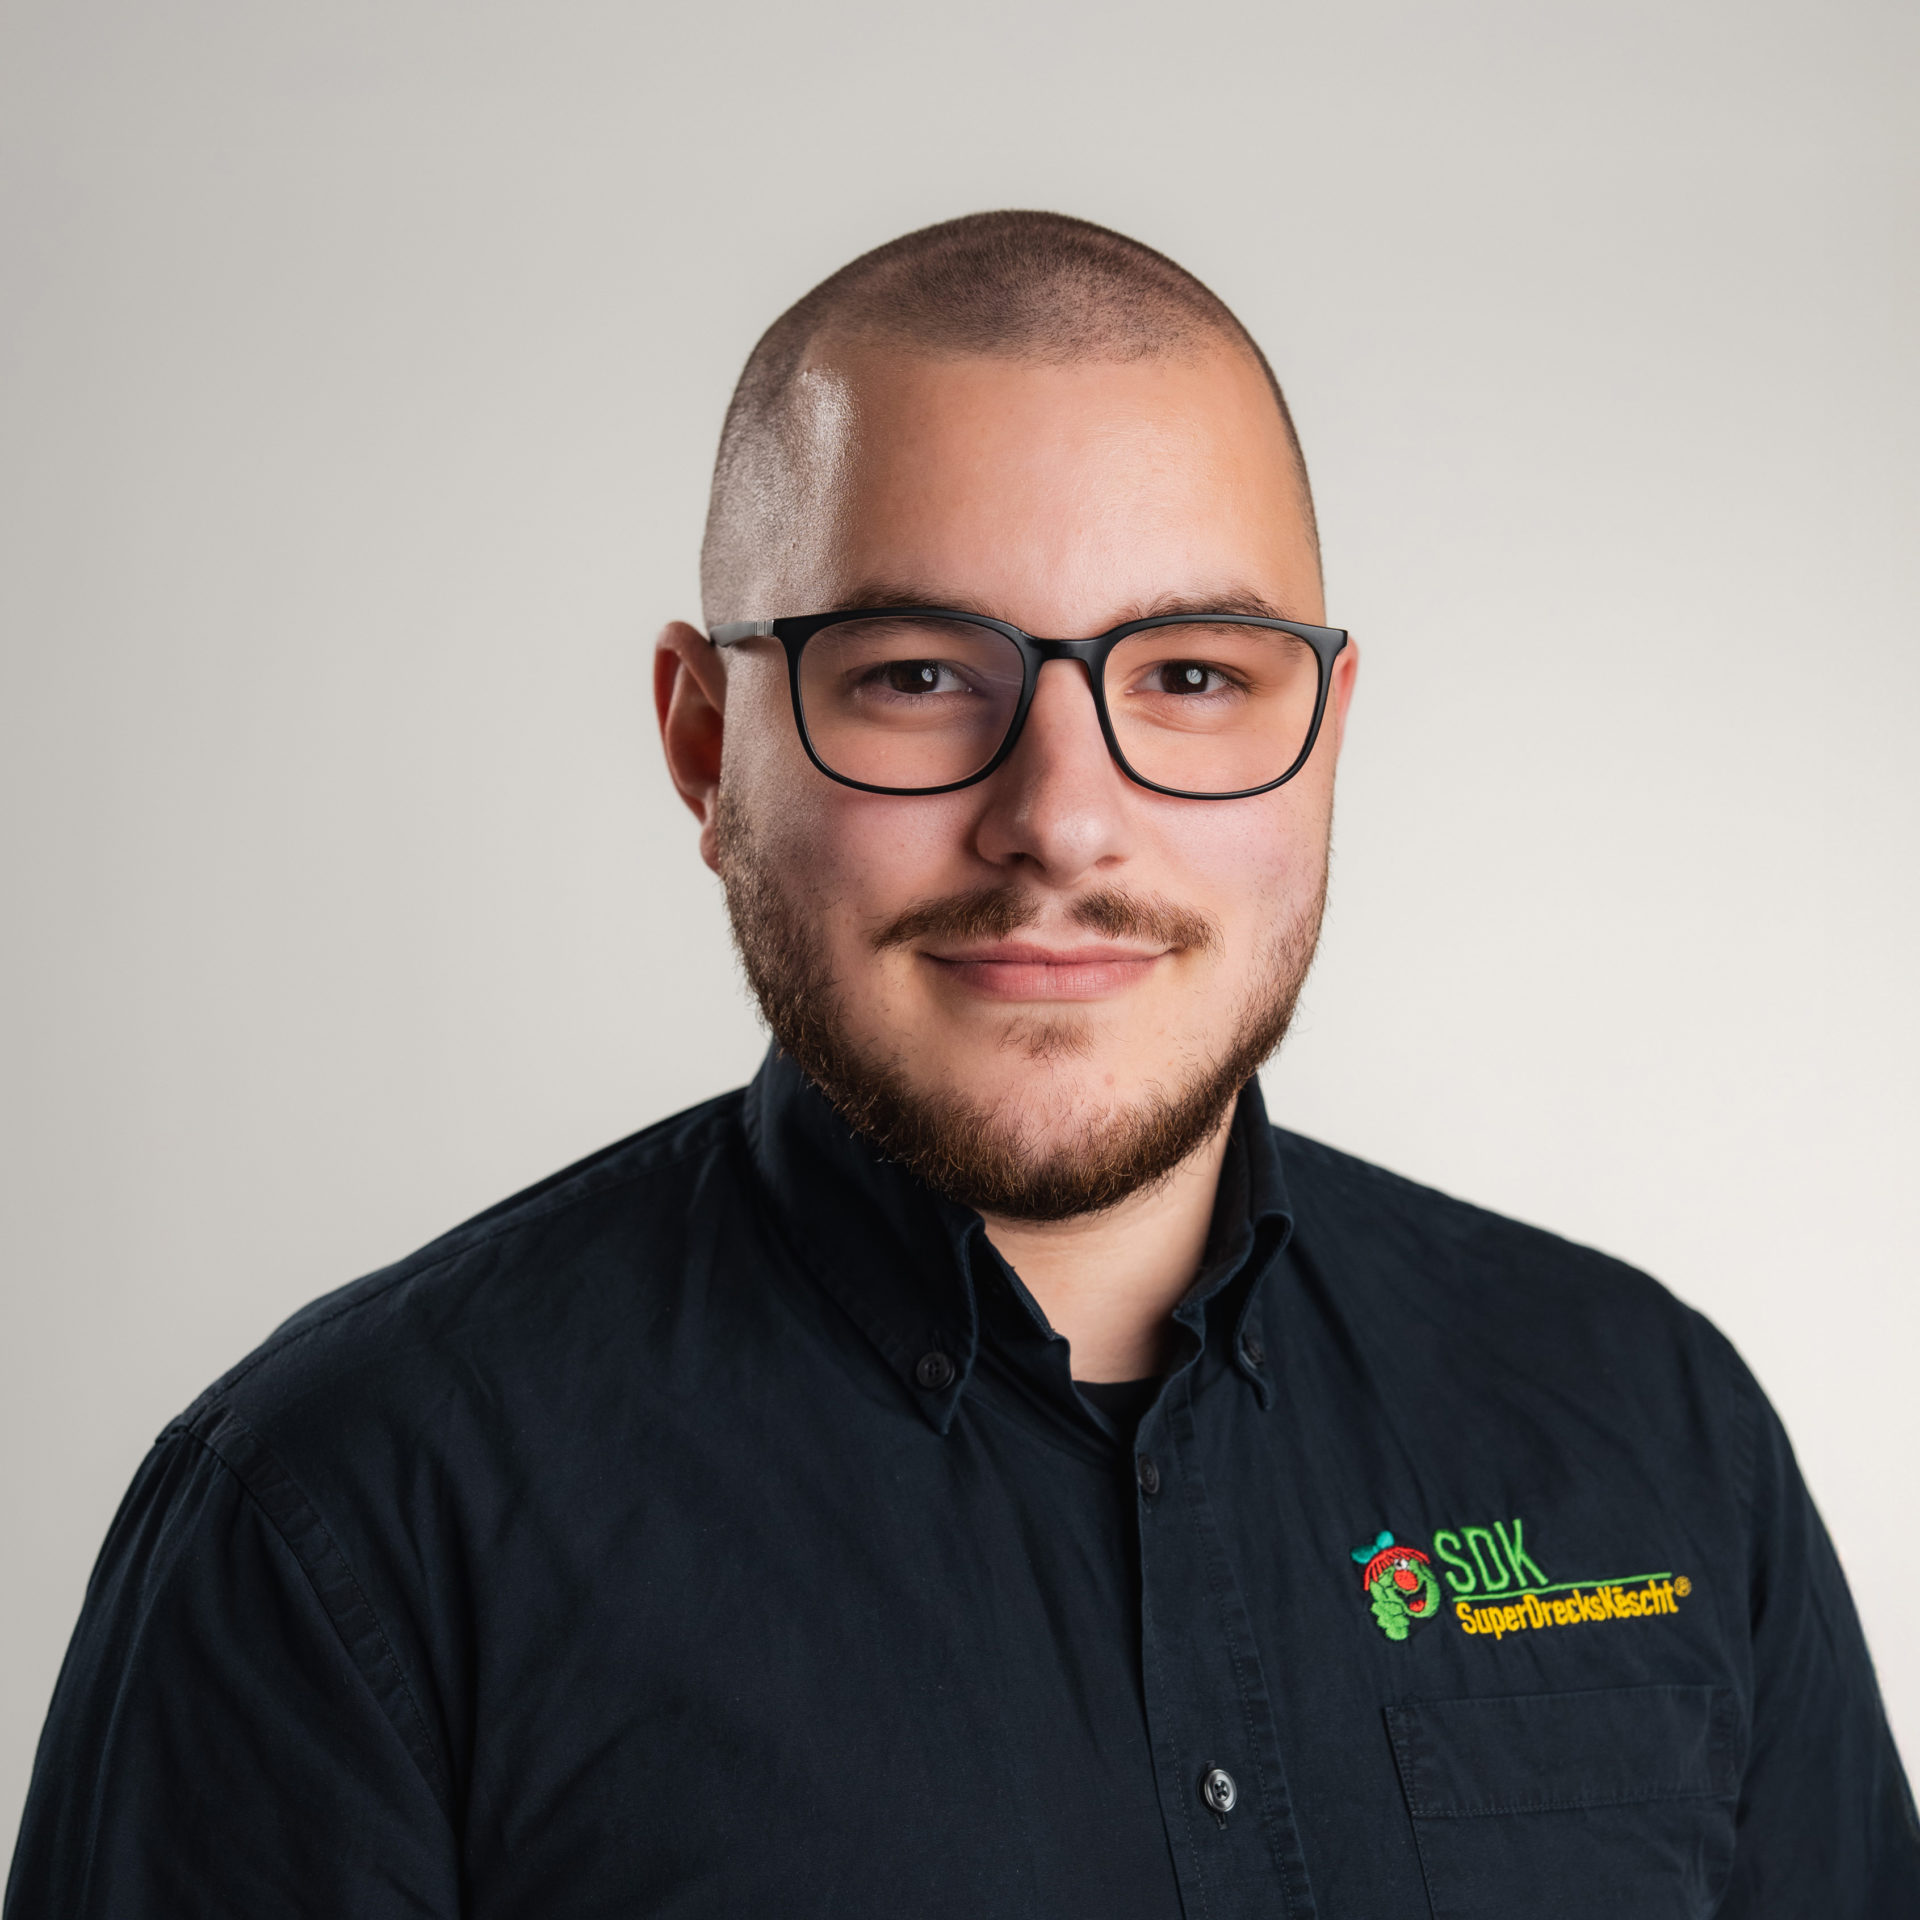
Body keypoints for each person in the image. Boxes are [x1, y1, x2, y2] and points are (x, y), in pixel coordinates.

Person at [7, 210, 1915, 1919]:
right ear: (705, 743)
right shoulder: (340, 1522)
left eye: (1191, 675)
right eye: (918, 674)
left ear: (1326, 736)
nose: (1062, 820)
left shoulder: (1653, 1423)